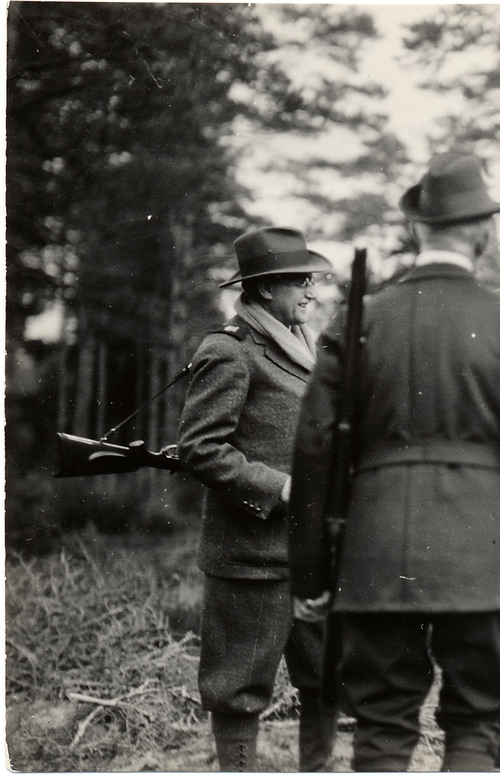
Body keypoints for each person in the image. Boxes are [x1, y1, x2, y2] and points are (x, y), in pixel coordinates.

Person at [288, 152, 500, 772]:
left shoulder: (359, 321)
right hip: (485, 562)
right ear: (484, 229)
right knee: (477, 726)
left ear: (418, 227)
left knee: (382, 727)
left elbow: (313, 449)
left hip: (376, 560)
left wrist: (309, 576)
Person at [177, 226, 338, 771]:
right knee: (237, 691)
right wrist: (281, 487)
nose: (312, 291)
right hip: (252, 557)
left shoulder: (308, 346)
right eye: (300, 281)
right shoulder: (230, 350)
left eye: (312, 280)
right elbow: (200, 448)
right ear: (266, 288)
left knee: (326, 679)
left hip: (314, 556)